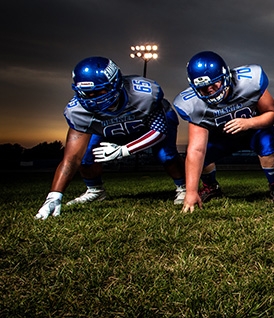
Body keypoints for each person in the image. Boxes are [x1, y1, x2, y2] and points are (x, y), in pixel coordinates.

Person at [35, 57, 186, 220]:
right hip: (107, 129)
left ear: (116, 83)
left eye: (100, 91)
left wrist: (124, 150)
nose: (93, 99)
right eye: (87, 93)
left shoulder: (144, 94)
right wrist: (54, 196)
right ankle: (95, 190)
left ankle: (183, 187)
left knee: (166, 154)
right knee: (86, 155)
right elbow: (71, 159)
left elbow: (159, 131)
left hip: (147, 124)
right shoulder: (77, 111)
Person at [173, 51, 274, 213]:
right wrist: (191, 192)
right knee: (200, 154)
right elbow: (196, 149)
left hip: (253, 131)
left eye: (214, 84)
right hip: (221, 137)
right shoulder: (192, 103)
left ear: (225, 76)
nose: (210, 90)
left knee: (267, 140)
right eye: (204, 88)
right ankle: (210, 186)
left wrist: (249, 123)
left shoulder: (250, 82)